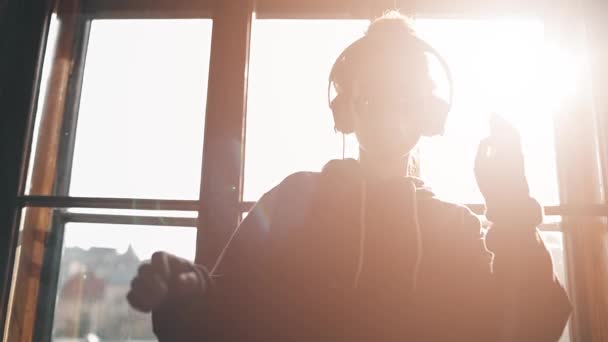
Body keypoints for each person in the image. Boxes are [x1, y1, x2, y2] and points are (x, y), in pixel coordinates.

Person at [127, 11, 571, 341]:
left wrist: (512, 209)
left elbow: (531, 326)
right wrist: (186, 294)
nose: (390, 112)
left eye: (405, 97)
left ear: (429, 115)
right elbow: (228, 317)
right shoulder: (291, 201)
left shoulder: (455, 229)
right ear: (344, 112)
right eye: (374, 94)